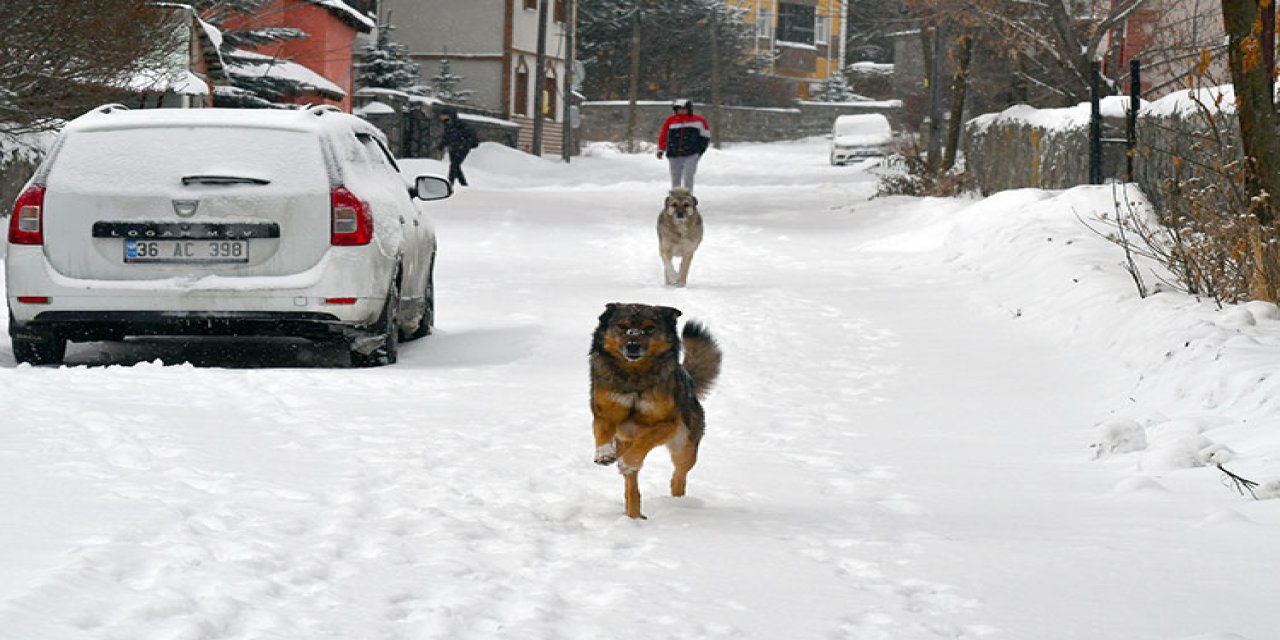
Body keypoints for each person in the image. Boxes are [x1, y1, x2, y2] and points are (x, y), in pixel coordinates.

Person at [656, 99, 711, 192]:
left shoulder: (699, 121)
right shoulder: (670, 121)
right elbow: (664, 135)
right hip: (673, 153)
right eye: (678, 109)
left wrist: (700, 150)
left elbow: (705, 136)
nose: (681, 111)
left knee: (688, 174)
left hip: (691, 153)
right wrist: (661, 149)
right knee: (675, 175)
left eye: (683, 109)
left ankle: (688, 195)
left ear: (689, 109)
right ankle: (675, 195)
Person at [436, 106, 478, 187]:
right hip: (453, 148)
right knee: (455, 166)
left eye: (444, 115)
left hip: (462, 148)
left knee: (454, 165)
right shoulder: (447, 125)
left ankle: (449, 184)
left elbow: (471, 136)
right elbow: (447, 137)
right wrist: (441, 146)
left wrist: (464, 144)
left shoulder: (460, 125)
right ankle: (463, 184)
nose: (442, 117)